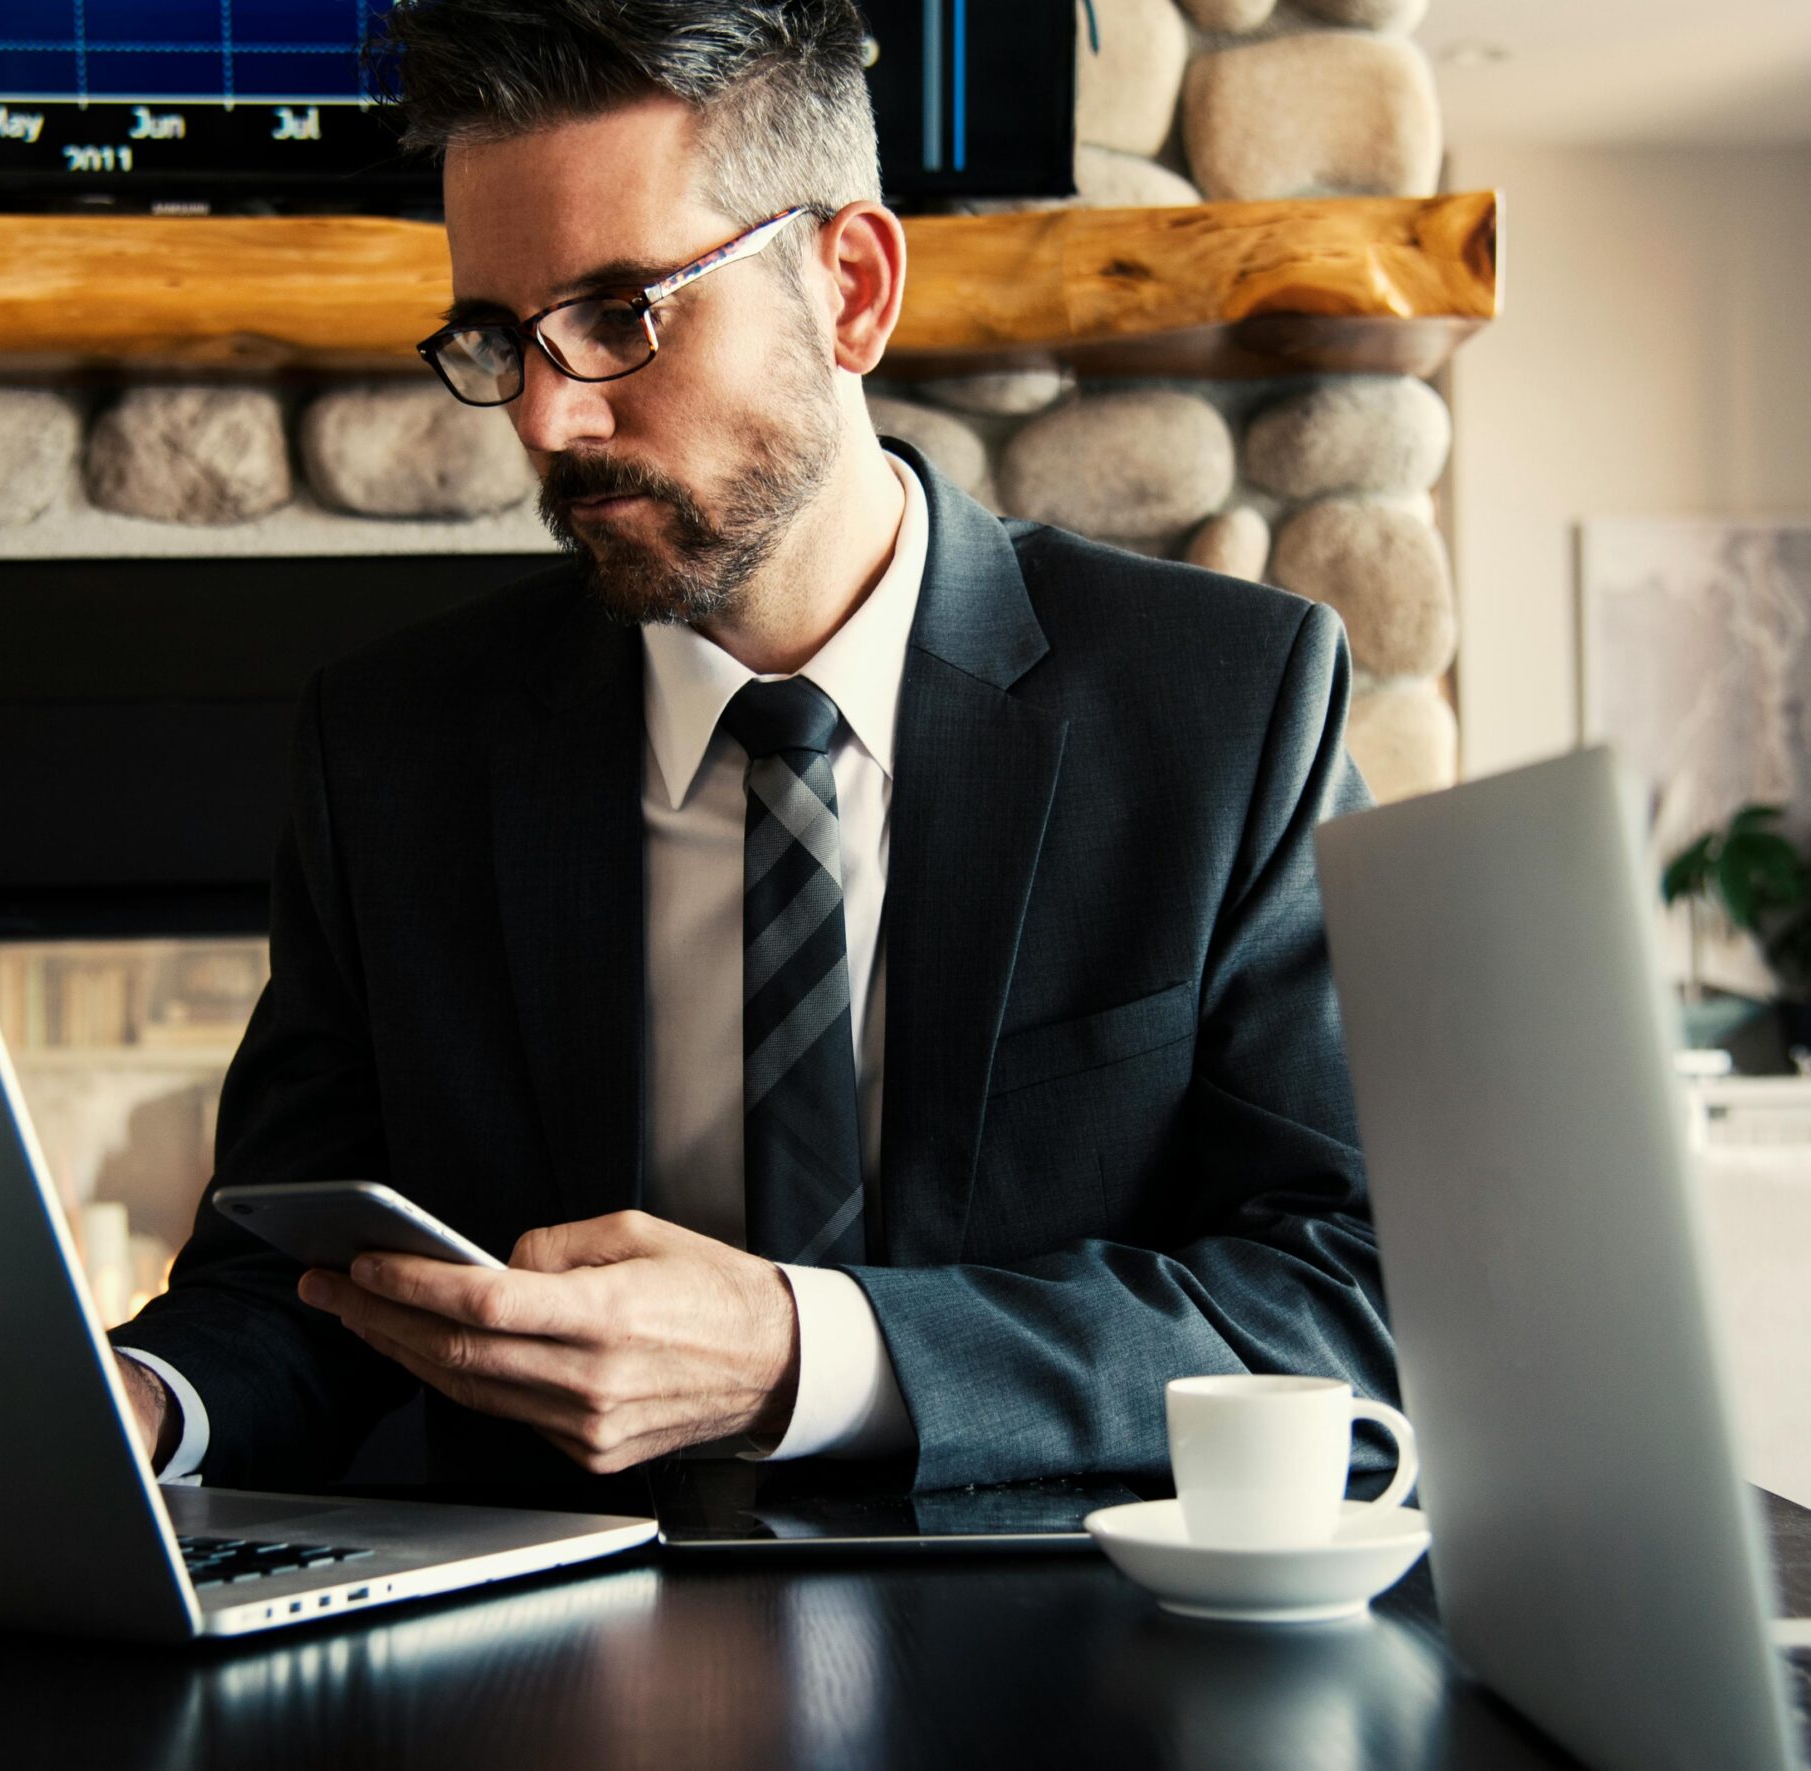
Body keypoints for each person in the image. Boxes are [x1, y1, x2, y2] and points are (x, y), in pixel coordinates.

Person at [109, 0, 1392, 1506]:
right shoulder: (393, 752)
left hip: (1059, 1652)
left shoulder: (1227, 707)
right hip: (555, 1677)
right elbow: (293, 1288)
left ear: (850, 288)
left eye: (620, 313)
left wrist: (808, 1354)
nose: (547, 413)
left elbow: (1344, 1298)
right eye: (496, 336)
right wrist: (138, 1401)